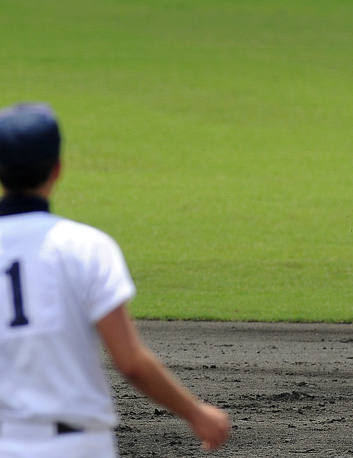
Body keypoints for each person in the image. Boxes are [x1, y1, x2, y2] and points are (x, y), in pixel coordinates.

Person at [0, 103, 230, 457]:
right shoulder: (85, 247)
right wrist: (196, 413)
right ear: (57, 169)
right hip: (76, 446)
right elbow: (132, 363)